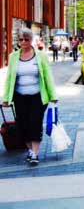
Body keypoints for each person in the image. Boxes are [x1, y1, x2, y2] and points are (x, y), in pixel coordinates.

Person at [1, 28, 58, 166]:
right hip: (19, 97)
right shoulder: (13, 56)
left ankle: (34, 153)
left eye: (26, 39)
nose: (24, 42)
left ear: (31, 40)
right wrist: (6, 98)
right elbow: (9, 78)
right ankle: (30, 150)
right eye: (21, 39)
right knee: (23, 126)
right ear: (18, 41)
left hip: (38, 97)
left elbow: (47, 76)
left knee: (35, 124)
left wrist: (53, 95)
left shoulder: (40, 56)